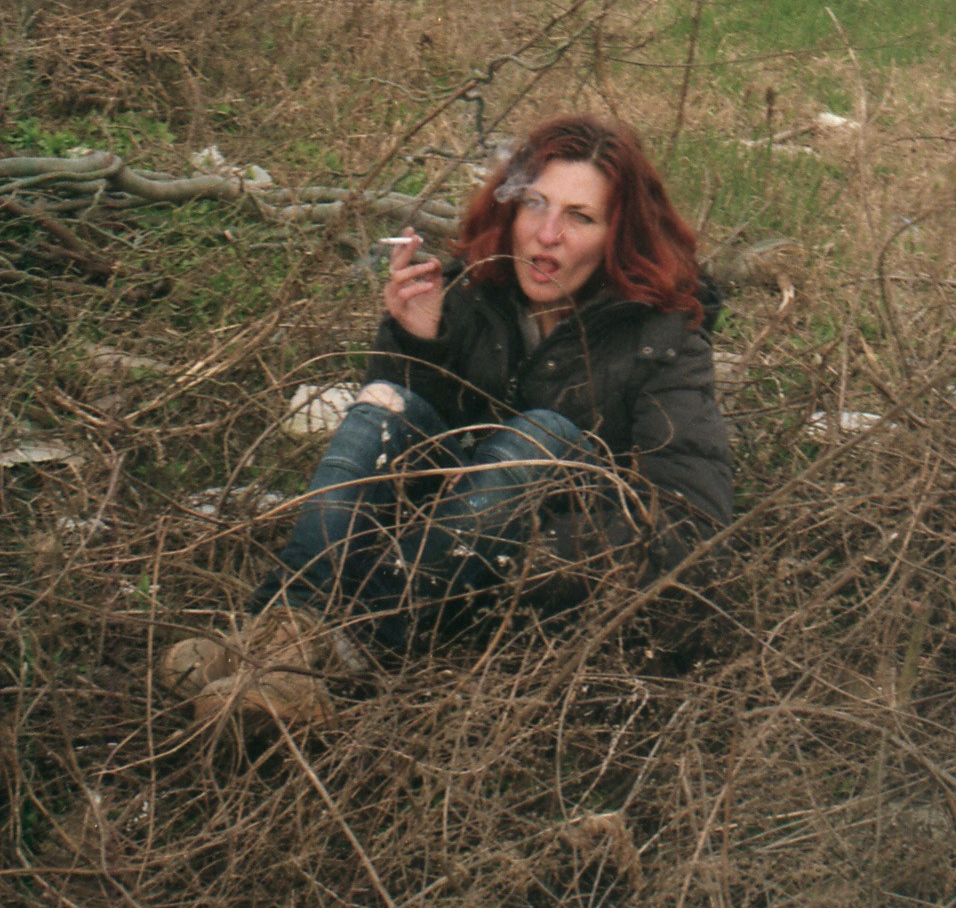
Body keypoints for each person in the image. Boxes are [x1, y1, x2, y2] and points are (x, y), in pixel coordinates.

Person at [161, 115, 734, 733]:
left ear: (619, 236)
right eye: (535, 204)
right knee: (386, 402)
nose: (547, 235)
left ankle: (345, 654)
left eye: (581, 217)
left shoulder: (662, 339)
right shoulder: (473, 290)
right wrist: (418, 341)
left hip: (523, 583)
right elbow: (397, 457)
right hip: (420, 550)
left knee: (542, 434)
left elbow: (693, 521)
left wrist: (534, 558)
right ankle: (281, 632)